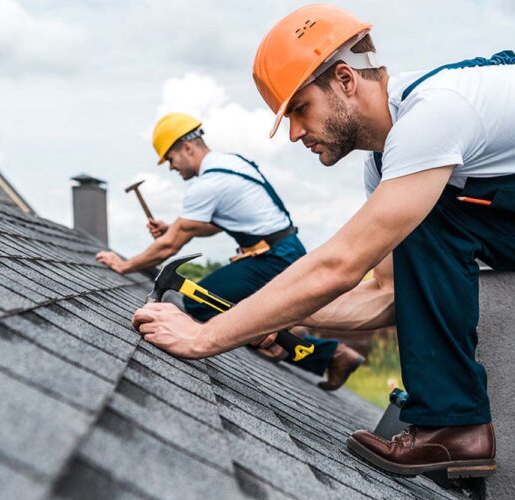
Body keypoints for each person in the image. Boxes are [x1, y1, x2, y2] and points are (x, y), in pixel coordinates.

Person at [132, 4, 515, 478]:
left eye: (300, 109)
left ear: (346, 80)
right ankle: (454, 424)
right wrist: (268, 318)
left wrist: (207, 336)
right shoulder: (392, 169)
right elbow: (387, 294)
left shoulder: (435, 114)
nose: (293, 134)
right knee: (432, 219)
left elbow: (340, 265)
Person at [96, 112, 365, 389]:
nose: (171, 168)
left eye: (171, 159)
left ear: (187, 148)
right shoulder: (231, 164)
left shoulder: (208, 183)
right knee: (238, 309)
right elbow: (212, 225)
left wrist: (124, 265)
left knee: (198, 302)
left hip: (272, 258)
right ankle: (307, 345)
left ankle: (316, 349)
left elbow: (170, 245)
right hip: (282, 250)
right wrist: (173, 228)